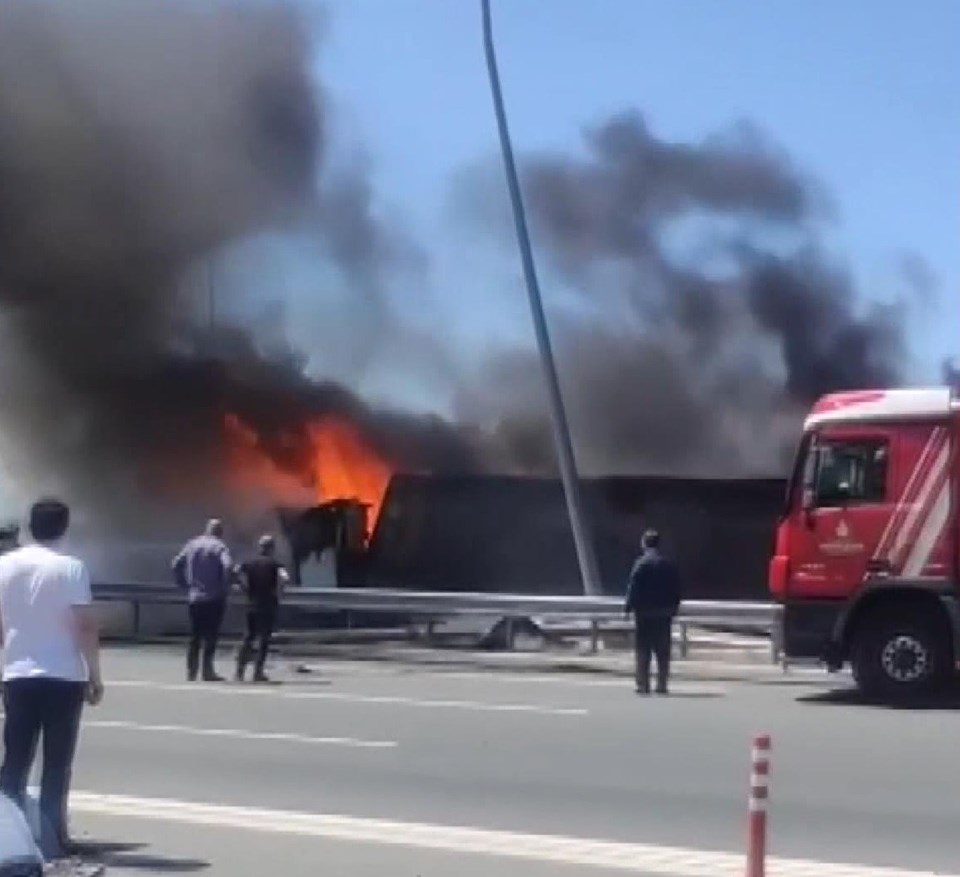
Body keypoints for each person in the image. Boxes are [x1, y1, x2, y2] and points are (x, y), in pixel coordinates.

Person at [0, 498, 104, 860]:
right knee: (56, 764)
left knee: (14, 761)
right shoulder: (71, 568)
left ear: (30, 526)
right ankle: (51, 841)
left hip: (17, 676)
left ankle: (10, 843)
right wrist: (95, 674)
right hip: (63, 677)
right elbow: (85, 626)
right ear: (64, 527)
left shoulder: (4, 565)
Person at [172, 518, 234, 682]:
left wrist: (182, 583)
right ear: (220, 532)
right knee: (211, 636)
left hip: (194, 597)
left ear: (207, 529)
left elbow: (176, 563)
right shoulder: (220, 546)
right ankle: (208, 671)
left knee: (195, 636)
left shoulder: (192, 544)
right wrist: (225, 586)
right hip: (214, 597)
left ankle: (191, 672)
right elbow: (227, 566)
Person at [624, 529, 681, 695]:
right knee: (662, 651)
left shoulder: (641, 564)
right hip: (664, 613)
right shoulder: (668, 564)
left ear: (644, 543)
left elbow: (633, 588)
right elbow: (676, 589)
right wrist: (673, 608)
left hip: (644, 614)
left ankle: (643, 684)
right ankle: (662, 684)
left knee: (643, 649)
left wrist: (628, 608)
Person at [236, 534, 288, 683]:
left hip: (251, 603)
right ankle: (258, 672)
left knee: (248, 637)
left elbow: (235, 571)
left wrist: (243, 587)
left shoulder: (249, 562)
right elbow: (285, 578)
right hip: (267, 605)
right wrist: (278, 593)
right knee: (264, 638)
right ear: (271, 548)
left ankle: (239, 671)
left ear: (260, 547)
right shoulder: (275, 564)